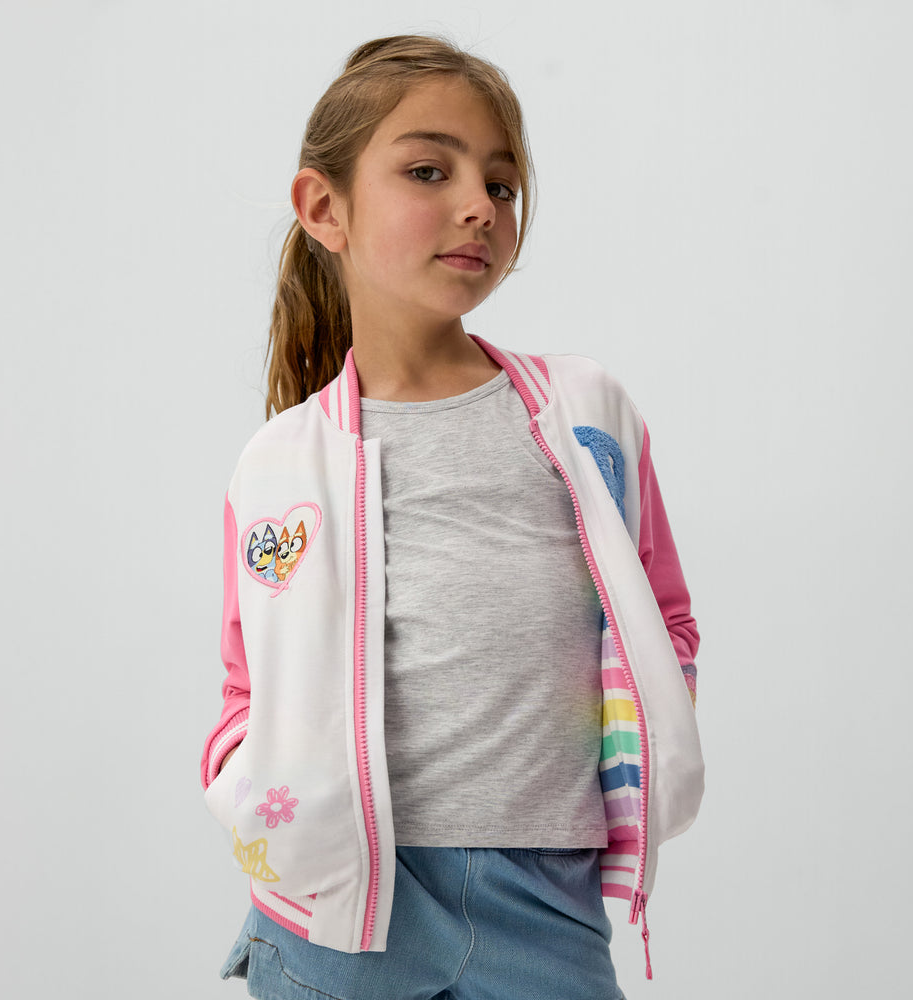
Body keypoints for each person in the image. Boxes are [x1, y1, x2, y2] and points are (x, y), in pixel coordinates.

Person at [201, 34, 703, 1000]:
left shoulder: (587, 416)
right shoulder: (279, 465)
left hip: (547, 900)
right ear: (325, 208)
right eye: (429, 171)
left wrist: (653, 738)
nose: (480, 205)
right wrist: (256, 803)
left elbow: (663, 616)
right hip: (336, 915)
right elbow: (244, 683)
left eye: (501, 185)